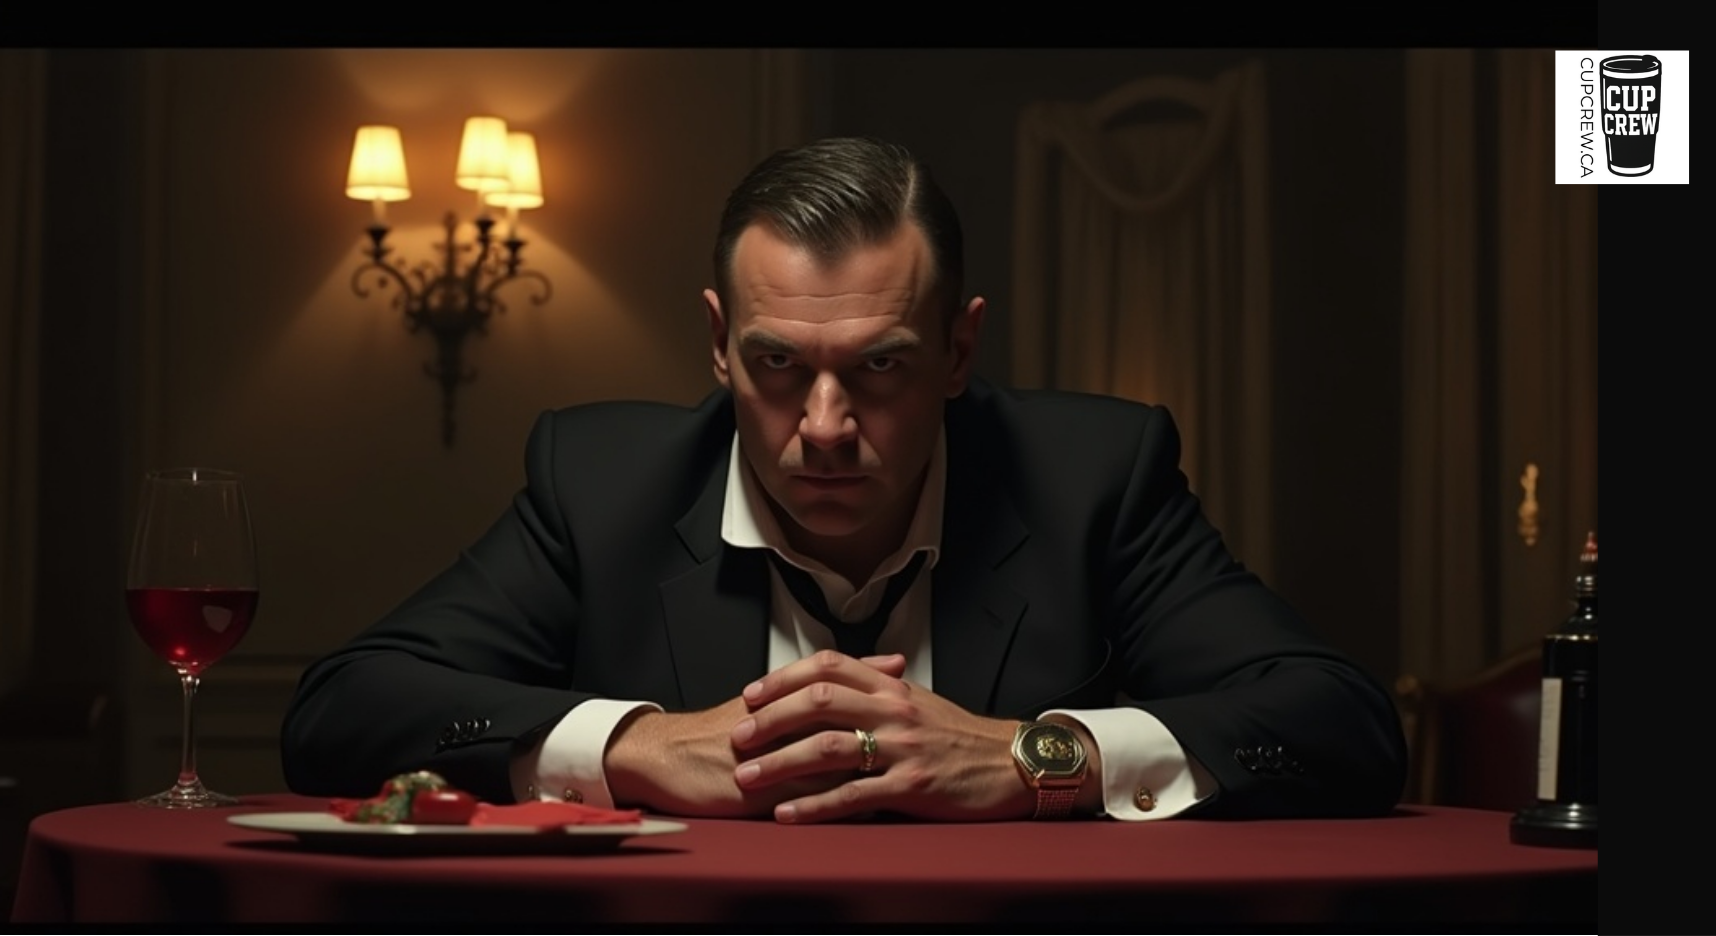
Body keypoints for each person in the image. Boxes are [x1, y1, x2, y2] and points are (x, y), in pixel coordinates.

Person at [281, 136, 1406, 824]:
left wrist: (1033, 757)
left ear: (959, 351)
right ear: (718, 345)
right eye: (777, 365)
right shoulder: (602, 480)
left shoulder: (1093, 477)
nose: (824, 427)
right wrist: (632, 747)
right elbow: (345, 710)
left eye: (879, 366)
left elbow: (1341, 725)